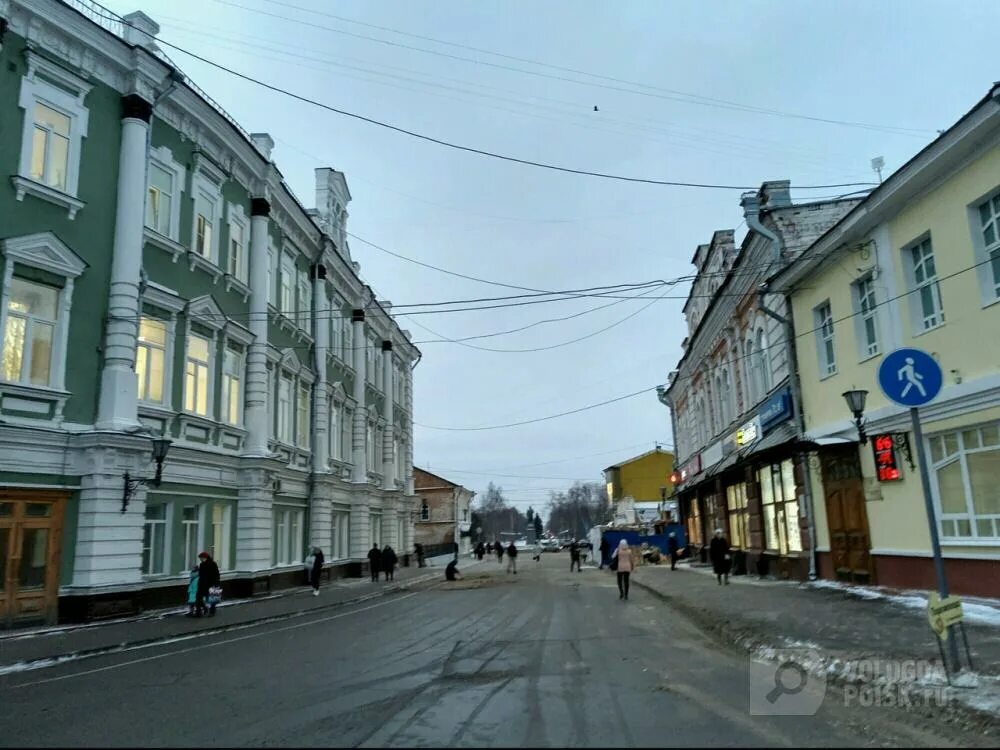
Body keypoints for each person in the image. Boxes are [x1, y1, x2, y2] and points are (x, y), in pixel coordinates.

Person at [196, 551, 221, 617]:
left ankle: (212, 612)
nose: (200, 559)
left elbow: (216, 574)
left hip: (212, 584)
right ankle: (200, 611)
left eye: (201, 558)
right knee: (198, 598)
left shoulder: (213, 564)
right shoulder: (201, 565)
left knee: (212, 599)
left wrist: (216, 583)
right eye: (200, 558)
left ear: (205, 557)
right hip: (202, 584)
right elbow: (200, 575)